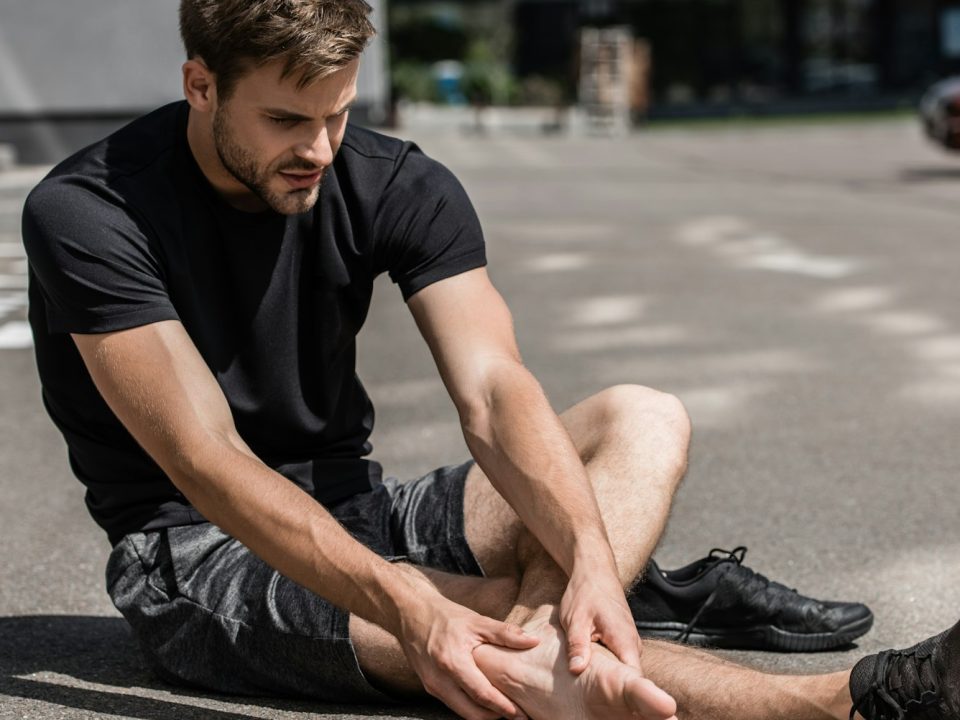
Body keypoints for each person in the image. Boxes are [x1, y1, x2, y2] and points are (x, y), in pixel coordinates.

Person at [20, 2, 956, 719]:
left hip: (360, 506)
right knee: (485, 624)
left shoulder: (390, 178)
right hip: (196, 551)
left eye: (337, 114)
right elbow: (207, 460)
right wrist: (405, 602)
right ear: (200, 85)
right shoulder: (89, 213)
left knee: (642, 417)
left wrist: (588, 560)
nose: (318, 149)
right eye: (284, 120)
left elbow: (495, 391)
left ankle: (602, 610)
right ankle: (851, 701)